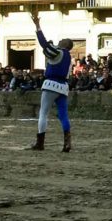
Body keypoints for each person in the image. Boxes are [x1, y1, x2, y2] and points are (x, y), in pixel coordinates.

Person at [29, 9, 73, 152]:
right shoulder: (68, 57)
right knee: (63, 115)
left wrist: (37, 26)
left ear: (65, 44)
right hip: (63, 86)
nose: (59, 40)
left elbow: (44, 45)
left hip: (51, 85)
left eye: (62, 40)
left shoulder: (58, 52)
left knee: (43, 113)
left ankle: (40, 142)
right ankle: (67, 142)